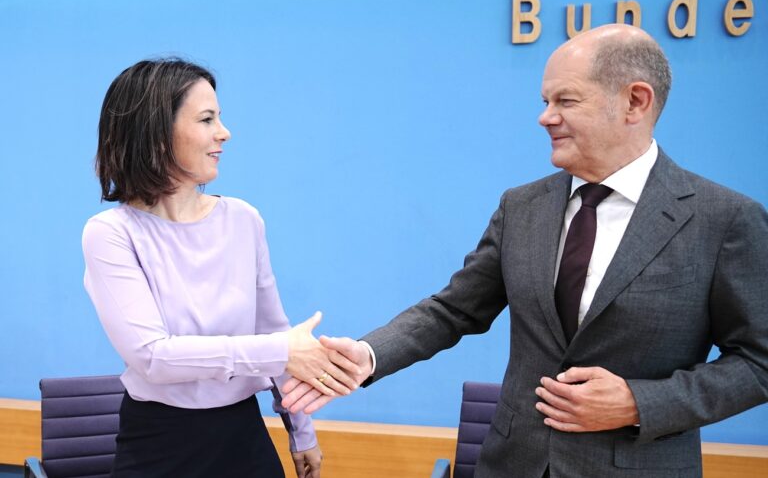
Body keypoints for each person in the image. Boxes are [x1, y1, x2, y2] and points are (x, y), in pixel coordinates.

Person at [280, 24, 768, 477]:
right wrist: (367, 356)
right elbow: (453, 310)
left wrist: (641, 403)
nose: (545, 117)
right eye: (545, 100)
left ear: (635, 102)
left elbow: (758, 361)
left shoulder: (723, 219)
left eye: (565, 100)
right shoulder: (523, 206)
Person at [83, 58, 359, 477]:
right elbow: (154, 357)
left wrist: (301, 431)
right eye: (207, 119)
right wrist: (279, 350)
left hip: (243, 435)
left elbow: (274, 330)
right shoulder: (111, 233)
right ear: (157, 134)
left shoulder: (243, 219)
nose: (224, 133)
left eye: (220, 118)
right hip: (159, 444)